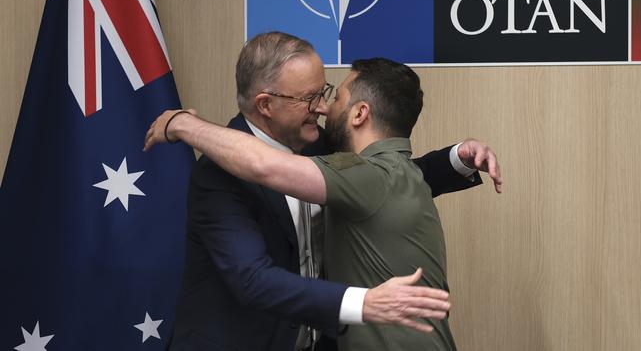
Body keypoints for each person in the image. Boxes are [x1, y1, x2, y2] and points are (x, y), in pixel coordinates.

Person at [148, 32, 502, 351]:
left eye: (325, 92)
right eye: (309, 97)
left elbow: (386, 182)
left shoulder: (317, 142)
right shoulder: (218, 173)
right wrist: (363, 303)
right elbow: (252, 280)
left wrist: (457, 159)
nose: (321, 107)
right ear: (266, 104)